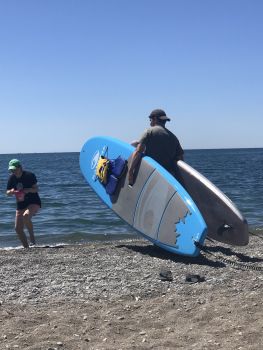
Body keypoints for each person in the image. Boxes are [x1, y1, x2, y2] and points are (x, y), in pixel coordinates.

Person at [128, 109, 184, 186]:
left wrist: (130, 171)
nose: (150, 122)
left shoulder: (149, 131)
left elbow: (138, 151)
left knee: (133, 144)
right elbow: (180, 159)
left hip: (150, 174)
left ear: (154, 119)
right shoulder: (173, 137)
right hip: (167, 177)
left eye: (150, 119)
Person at [6, 159, 41, 248]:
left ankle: (32, 239)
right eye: (11, 170)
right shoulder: (12, 178)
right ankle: (26, 248)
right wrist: (10, 192)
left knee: (26, 216)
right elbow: (7, 192)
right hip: (21, 203)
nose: (13, 171)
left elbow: (36, 189)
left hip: (33, 201)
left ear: (20, 167)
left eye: (15, 169)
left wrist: (28, 190)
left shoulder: (29, 175)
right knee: (17, 228)